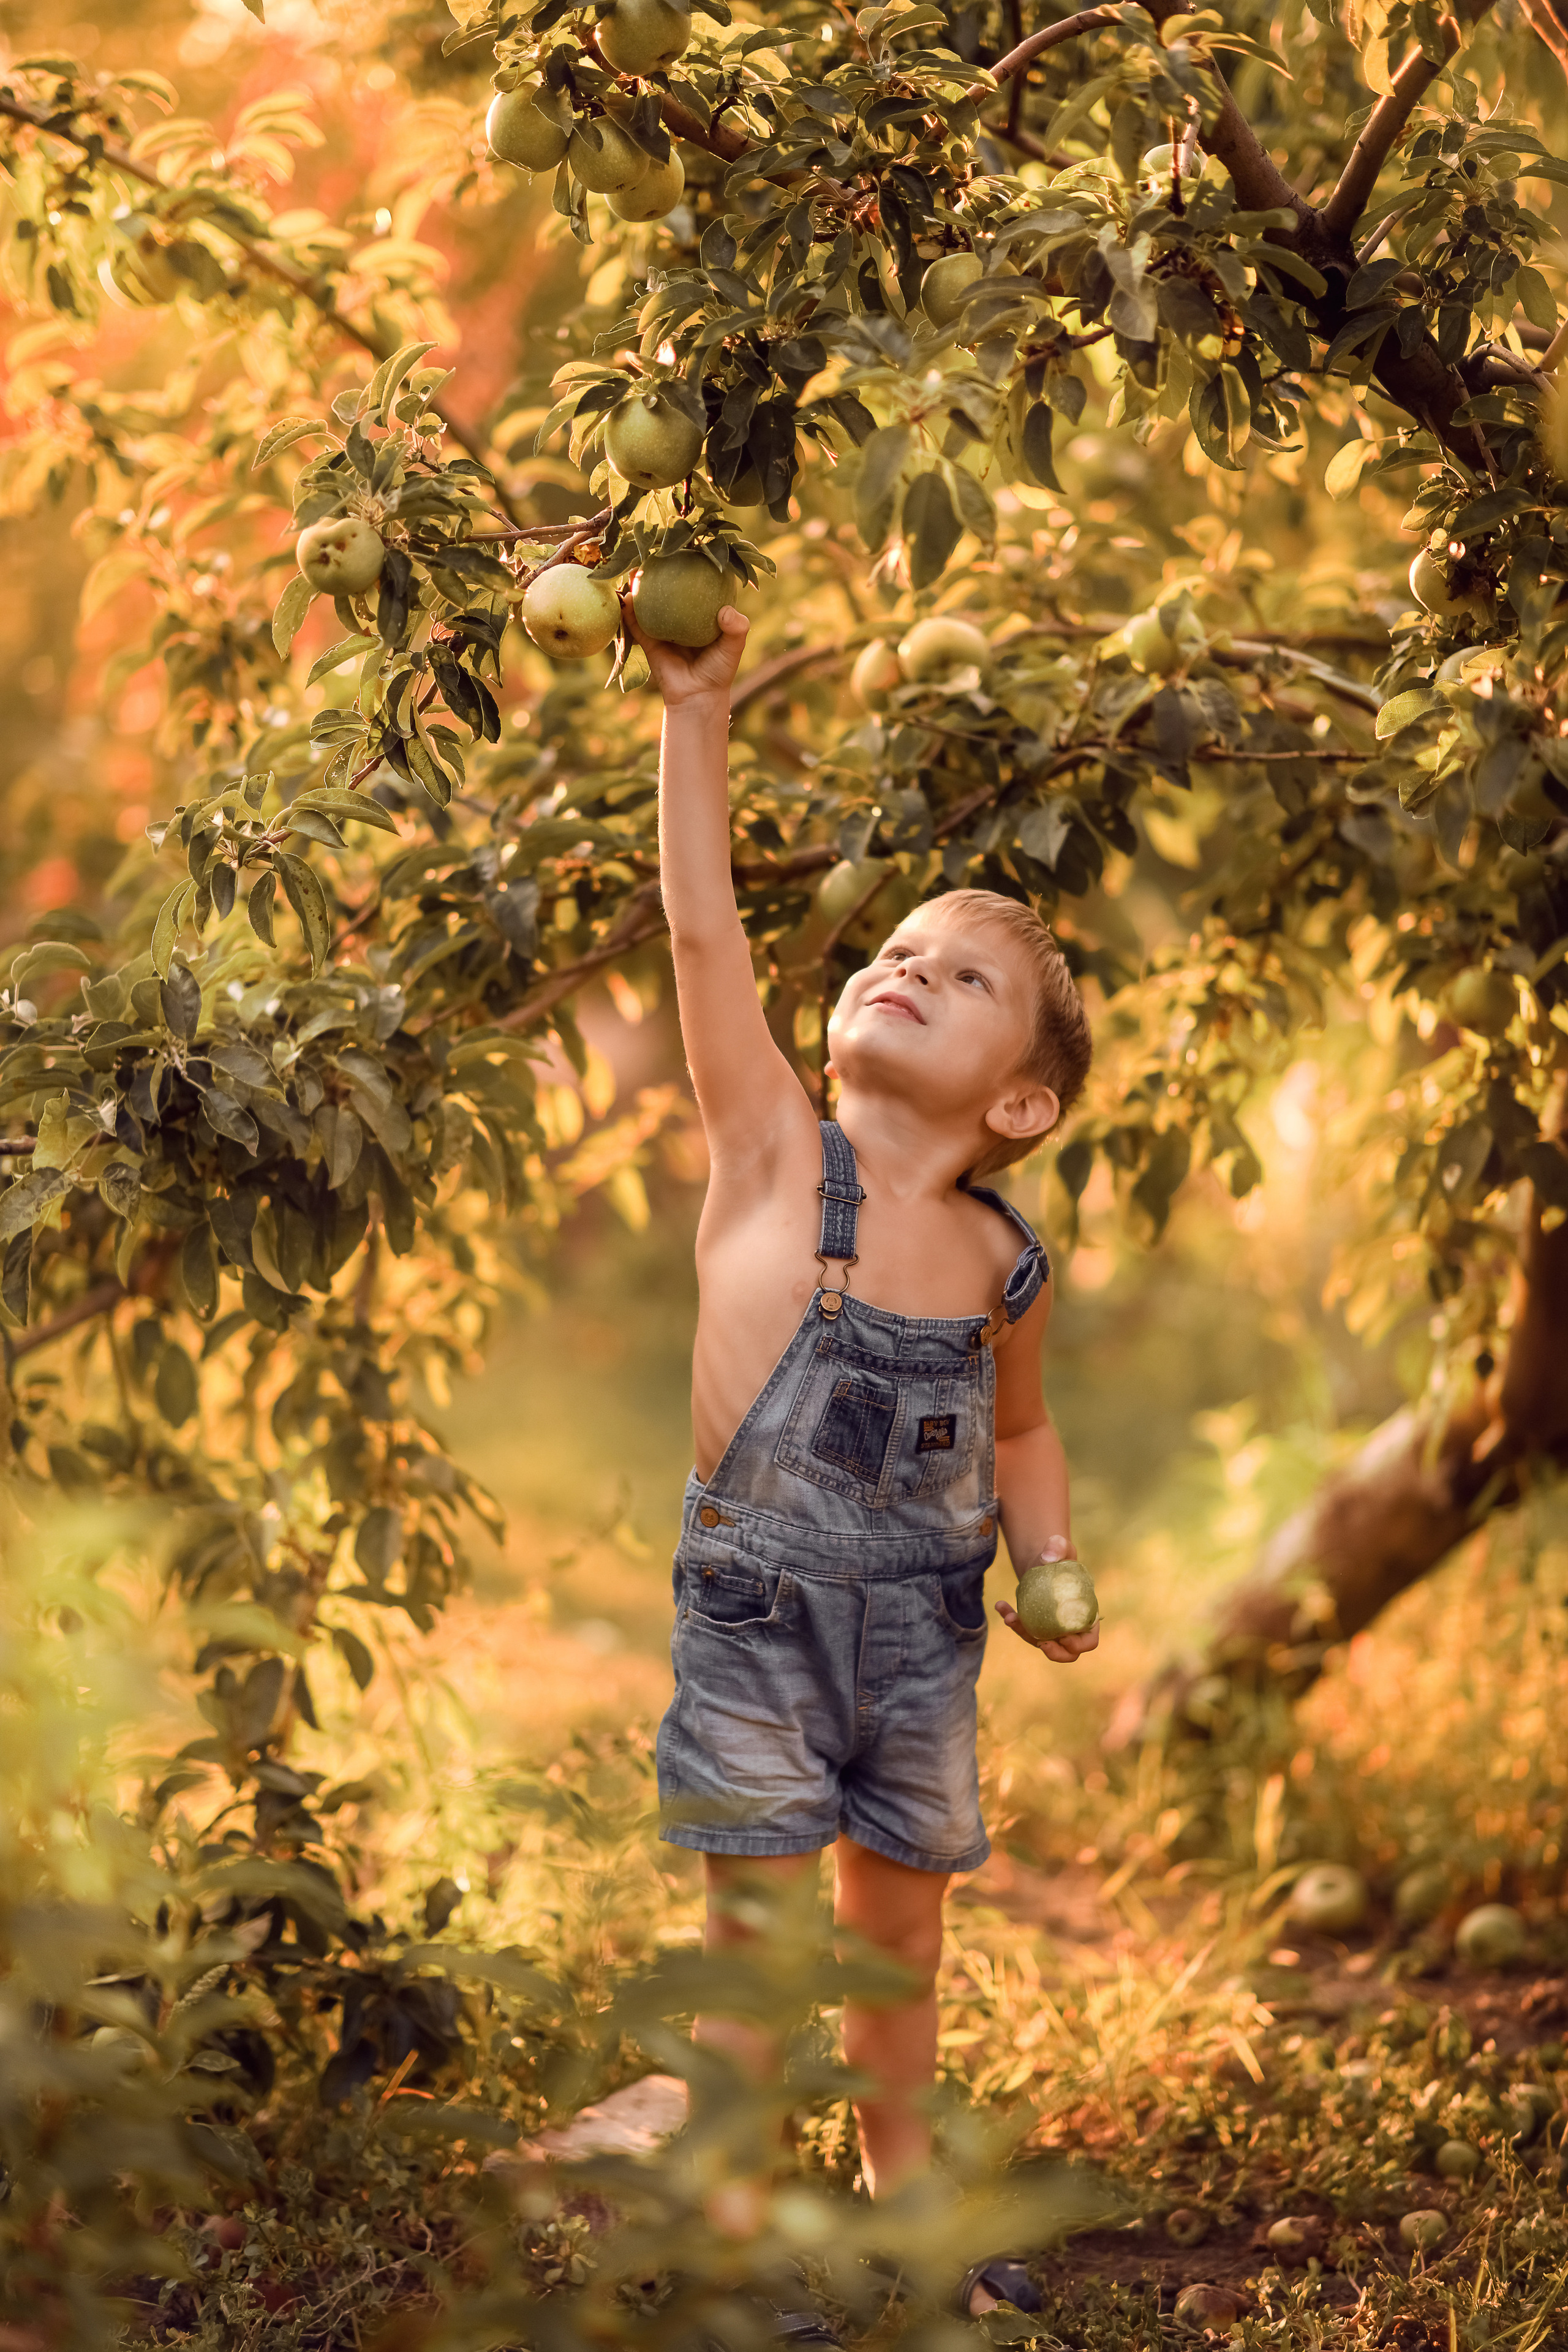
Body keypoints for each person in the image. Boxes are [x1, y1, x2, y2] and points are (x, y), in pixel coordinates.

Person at [635, 597, 1098, 2304]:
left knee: (902, 1934)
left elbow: (1026, 1428)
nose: (905, 965)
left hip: (921, 1636)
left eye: (961, 976)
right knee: (758, 1938)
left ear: (1021, 1104)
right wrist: (698, 708)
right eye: (896, 949)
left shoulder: (1002, 1259)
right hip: (757, 1618)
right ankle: (748, 2221)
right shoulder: (769, 1149)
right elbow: (701, 938)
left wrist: (1046, 1555)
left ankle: (904, 2192)